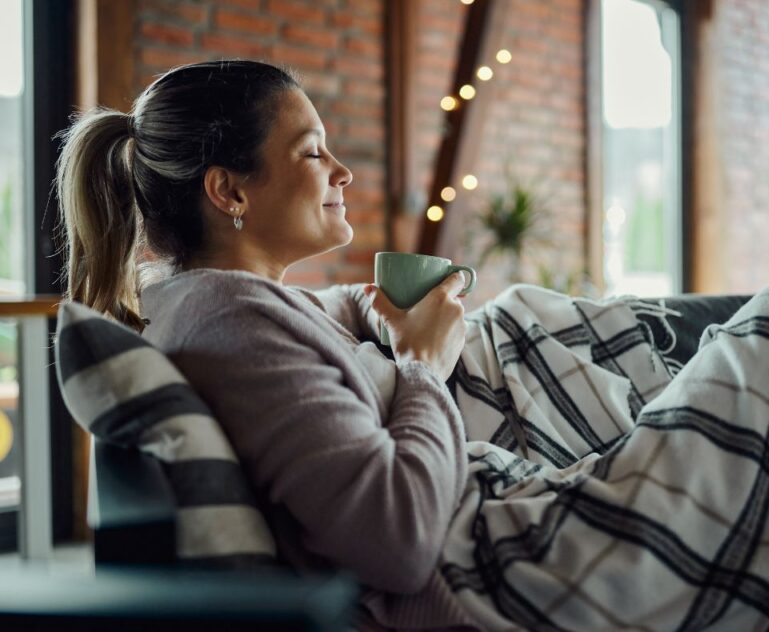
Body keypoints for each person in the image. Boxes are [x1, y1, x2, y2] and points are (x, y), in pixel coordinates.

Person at [56, 60, 477, 629]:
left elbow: (339, 303)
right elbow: (397, 541)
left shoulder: (231, 300)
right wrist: (422, 363)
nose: (343, 172)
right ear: (229, 191)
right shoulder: (234, 323)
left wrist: (398, 311)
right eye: (312, 152)